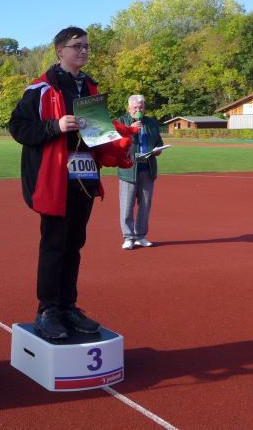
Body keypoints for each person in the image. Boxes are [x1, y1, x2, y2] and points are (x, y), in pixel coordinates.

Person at [8, 26, 105, 341]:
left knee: (75, 243)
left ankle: (68, 306)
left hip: (84, 176)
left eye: (86, 46)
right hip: (53, 178)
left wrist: (115, 138)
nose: (84, 51)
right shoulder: (40, 89)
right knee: (54, 244)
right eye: (77, 46)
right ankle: (47, 309)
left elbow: (97, 134)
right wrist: (55, 126)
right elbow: (18, 127)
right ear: (60, 51)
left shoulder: (90, 87)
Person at [117, 95, 164, 250]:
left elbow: (158, 141)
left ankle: (140, 236)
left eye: (141, 107)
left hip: (147, 169)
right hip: (128, 169)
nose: (138, 109)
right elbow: (115, 141)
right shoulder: (121, 121)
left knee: (145, 205)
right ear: (129, 108)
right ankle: (128, 237)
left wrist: (158, 150)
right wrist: (130, 129)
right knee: (127, 205)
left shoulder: (151, 123)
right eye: (135, 107)